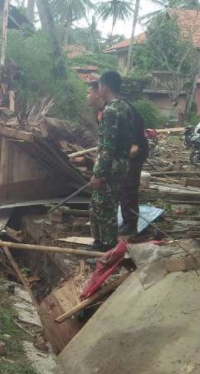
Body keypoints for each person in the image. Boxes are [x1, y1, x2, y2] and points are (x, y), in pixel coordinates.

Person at [90, 72, 132, 252]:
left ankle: (106, 250)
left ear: (105, 86)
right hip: (120, 164)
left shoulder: (110, 111)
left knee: (104, 209)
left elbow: (108, 147)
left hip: (110, 166)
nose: (98, 88)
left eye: (99, 85)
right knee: (105, 205)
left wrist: (98, 174)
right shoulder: (124, 107)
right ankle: (101, 244)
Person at [119, 99, 148, 236]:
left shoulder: (122, 106)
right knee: (123, 187)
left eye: (90, 92)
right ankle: (126, 221)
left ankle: (130, 224)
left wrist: (135, 143)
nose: (87, 95)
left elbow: (139, 121)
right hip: (123, 153)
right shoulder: (104, 109)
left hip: (135, 152)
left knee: (129, 187)